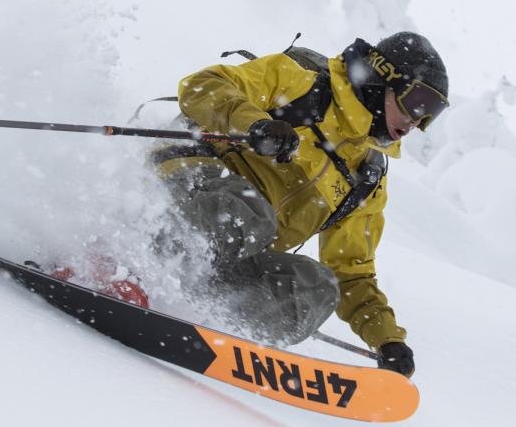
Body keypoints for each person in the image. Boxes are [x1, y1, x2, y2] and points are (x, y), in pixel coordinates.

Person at [153, 32, 449, 377]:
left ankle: (207, 320)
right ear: (384, 76)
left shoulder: (365, 177)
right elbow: (202, 86)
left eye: (430, 114)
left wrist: (387, 340)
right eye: (418, 102)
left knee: (318, 287)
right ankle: (138, 262)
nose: (417, 122)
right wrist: (256, 124)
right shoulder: (304, 84)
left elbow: (352, 272)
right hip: (183, 185)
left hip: (227, 249)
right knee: (253, 214)